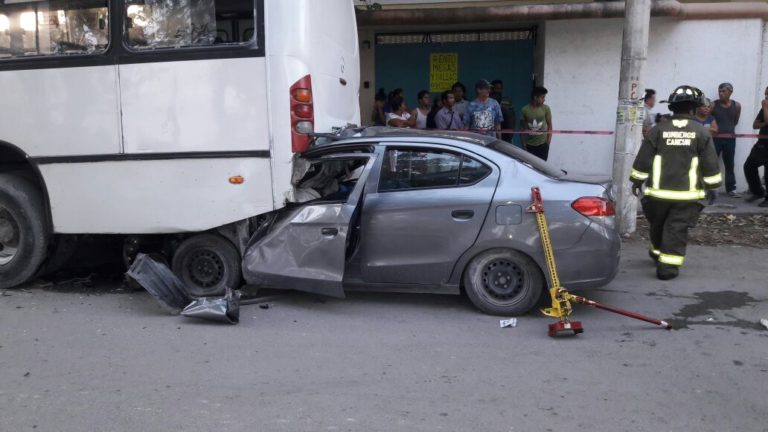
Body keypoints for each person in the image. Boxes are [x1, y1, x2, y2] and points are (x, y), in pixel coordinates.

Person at [630, 85, 722, 280]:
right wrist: (713, 187)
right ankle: (668, 268)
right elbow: (710, 164)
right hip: (686, 196)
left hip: (657, 194)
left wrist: (637, 181)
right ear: (693, 108)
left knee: (658, 224)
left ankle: (657, 254)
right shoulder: (701, 132)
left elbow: (643, 158)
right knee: (676, 229)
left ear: (672, 107)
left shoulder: (658, 130)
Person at [710, 82, 742, 197]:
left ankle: (731, 189)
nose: (720, 93)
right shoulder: (713, 105)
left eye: (723, 91)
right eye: (719, 91)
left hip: (730, 139)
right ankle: (711, 189)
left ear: (730, 92)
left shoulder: (736, 105)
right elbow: (708, 119)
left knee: (730, 164)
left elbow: (735, 121)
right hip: (716, 139)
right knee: (712, 164)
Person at [743, 86, 768, 207]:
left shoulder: (765, 107)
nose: (766, 97)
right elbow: (755, 125)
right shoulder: (764, 109)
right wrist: (763, 121)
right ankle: (758, 192)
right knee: (749, 166)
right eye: (765, 94)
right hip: (762, 144)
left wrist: (766, 107)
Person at [520, 86, 553, 160]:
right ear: (535, 97)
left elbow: (550, 126)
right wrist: (524, 146)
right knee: (530, 168)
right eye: (542, 97)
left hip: (543, 146)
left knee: (542, 169)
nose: (544, 100)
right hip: (529, 146)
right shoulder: (524, 110)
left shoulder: (546, 108)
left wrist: (547, 144)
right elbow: (522, 129)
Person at [491, 79, 516, 143]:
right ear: (492, 89)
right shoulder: (489, 101)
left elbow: (512, 117)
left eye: (500, 88)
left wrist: (510, 134)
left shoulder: (507, 100)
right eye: (496, 88)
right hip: (492, 132)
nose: (498, 90)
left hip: (506, 131)